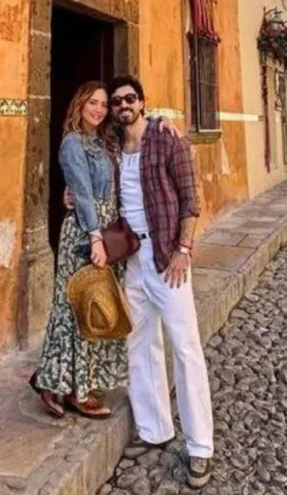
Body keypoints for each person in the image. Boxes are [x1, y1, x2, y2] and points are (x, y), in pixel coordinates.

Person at [108, 75, 215, 489]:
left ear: (142, 102)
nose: (123, 106)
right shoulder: (113, 146)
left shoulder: (167, 138)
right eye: (117, 101)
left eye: (129, 99)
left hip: (166, 258)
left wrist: (183, 250)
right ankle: (154, 428)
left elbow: (191, 199)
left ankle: (200, 447)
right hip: (131, 260)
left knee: (185, 348)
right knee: (140, 343)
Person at [29, 81, 127, 420]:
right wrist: (96, 238)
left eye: (103, 104)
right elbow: (83, 194)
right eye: (93, 102)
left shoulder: (103, 141)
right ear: (80, 104)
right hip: (85, 235)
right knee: (76, 309)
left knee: (93, 306)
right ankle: (75, 391)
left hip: (104, 231)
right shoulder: (73, 142)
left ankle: (55, 379)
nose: (99, 109)